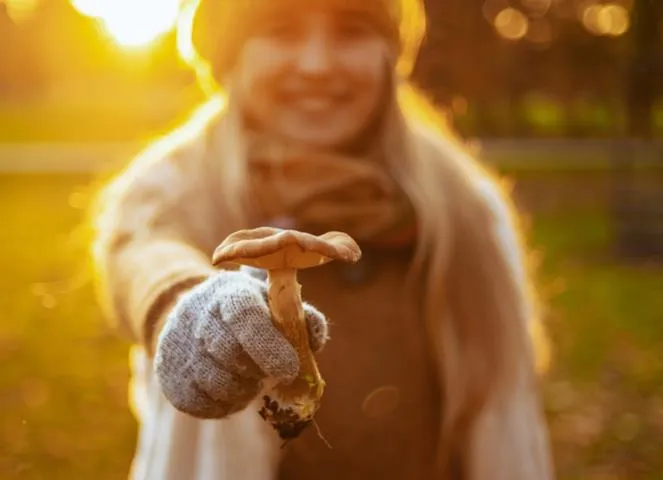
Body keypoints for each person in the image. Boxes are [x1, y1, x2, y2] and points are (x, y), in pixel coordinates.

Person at [89, 0, 554, 479]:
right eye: (280, 29)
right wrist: (188, 306)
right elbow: (143, 256)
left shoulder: (465, 204)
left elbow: (508, 419)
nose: (316, 65)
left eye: (351, 31)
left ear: (388, 54)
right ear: (231, 54)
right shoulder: (174, 185)